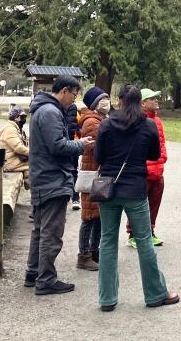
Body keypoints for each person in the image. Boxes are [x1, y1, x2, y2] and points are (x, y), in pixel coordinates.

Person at [94, 85, 179, 311]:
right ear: (140, 101)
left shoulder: (106, 124)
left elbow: (99, 156)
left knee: (108, 241)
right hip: (135, 190)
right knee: (144, 241)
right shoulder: (148, 124)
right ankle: (155, 294)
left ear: (119, 100)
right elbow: (152, 154)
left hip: (109, 190)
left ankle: (107, 298)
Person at [25, 75, 94, 295]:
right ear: (64, 91)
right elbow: (57, 146)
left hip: (42, 177)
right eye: (74, 94)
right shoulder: (51, 112)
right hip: (52, 178)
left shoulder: (42, 109)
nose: (74, 99)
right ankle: (45, 279)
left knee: (40, 230)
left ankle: (33, 273)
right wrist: (80, 145)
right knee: (51, 233)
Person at [126, 88, 167, 248]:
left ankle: (150, 231)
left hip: (158, 171)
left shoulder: (157, 121)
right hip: (142, 172)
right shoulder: (136, 121)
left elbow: (161, 144)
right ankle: (133, 235)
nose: (156, 100)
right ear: (142, 103)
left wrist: (163, 158)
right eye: (152, 98)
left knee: (154, 204)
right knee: (137, 205)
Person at [76, 86, 110, 271]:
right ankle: (84, 254)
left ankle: (94, 251)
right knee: (89, 217)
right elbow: (98, 148)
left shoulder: (101, 119)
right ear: (95, 103)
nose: (106, 102)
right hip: (93, 174)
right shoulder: (92, 122)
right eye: (103, 99)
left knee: (97, 216)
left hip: (98, 174)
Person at [0, 105, 29, 181]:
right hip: (11, 163)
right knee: (39, 163)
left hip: (15, 160)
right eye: (22, 116)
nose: (24, 119)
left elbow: (25, 142)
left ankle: (30, 183)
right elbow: (18, 148)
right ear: (16, 117)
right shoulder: (10, 129)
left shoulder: (16, 129)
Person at [67, 101, 82, 211]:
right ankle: (75, 198)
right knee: (73, 171)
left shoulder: (72, 108)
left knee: (72, 171)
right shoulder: (73, 108)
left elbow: (73, 128)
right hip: (72, 145)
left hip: (71, 144)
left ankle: (75, 198)